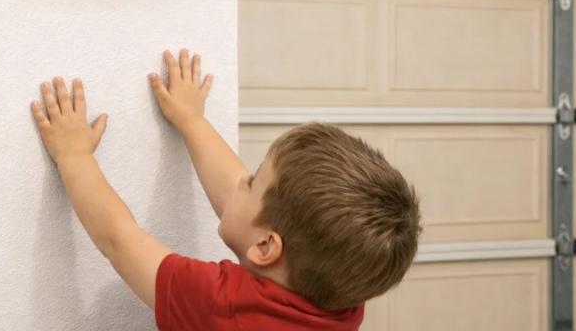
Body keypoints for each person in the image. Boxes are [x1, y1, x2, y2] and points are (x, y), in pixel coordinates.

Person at [30, 49, 422, 330]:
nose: (241, 180)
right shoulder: (341, 302)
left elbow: (120, 239)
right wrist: (191, 120)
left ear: (267, 247)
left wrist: (74, 155)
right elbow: (245, 208)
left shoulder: (224, 309)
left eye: (252, 181)